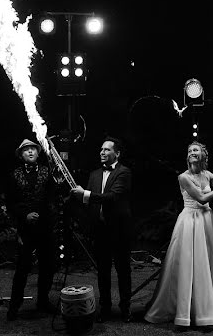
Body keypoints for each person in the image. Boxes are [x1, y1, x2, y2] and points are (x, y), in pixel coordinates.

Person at [144, 141, 213, 328]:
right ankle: (188, 314)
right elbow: (202, 199)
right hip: (190, 221)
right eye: (190, 150)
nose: (192, 152)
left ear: (203, 155)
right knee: (191, 266)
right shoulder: (183, 177)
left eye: (196, 150)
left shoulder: (207, 174)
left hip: (207, 221)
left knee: (211, 264)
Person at [70, 137, 133, 323]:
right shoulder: (95, 174)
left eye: (106, 150)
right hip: (101, 231)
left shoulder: (124, 172)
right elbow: (89, 201)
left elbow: (111, 197)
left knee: (123, 271)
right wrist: (76, 195)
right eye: (101, 149)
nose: (102, 152)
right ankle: (105, 309)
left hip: (119, 230)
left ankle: (125, 309)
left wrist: (85, 194)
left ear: (117, 153)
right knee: (103, 271)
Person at [6, 138, 59, 320]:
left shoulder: (47, 172)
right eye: (26, 150)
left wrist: (47, 217)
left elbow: (52, 200)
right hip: (26, 230)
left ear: (38, 153)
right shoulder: (15, 175)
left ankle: (43, 301)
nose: (30, 152)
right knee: (22, 269)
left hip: (44, 228)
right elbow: (11, 203)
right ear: (21, 155)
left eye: (33, 149)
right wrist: (24, 216)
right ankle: (14, 306)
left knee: (47, 266)